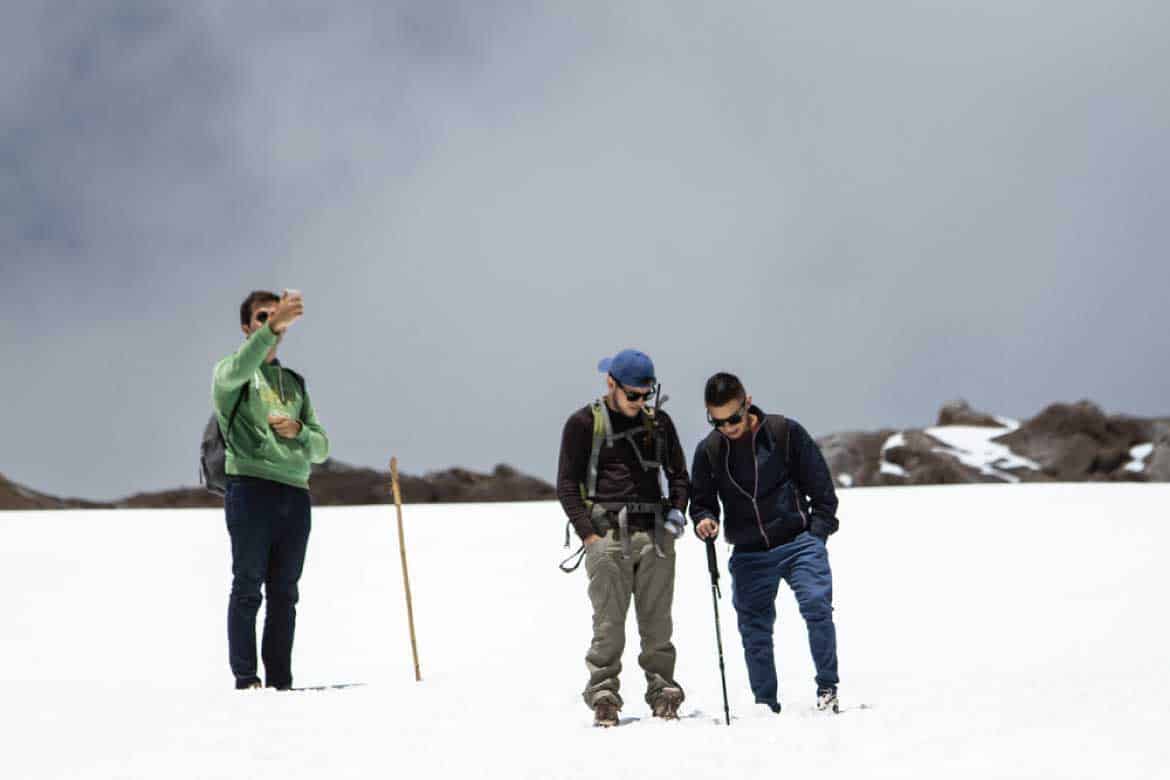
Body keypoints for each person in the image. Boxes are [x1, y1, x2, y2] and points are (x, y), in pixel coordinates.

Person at [689, 372, 841, 713]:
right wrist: (704, 519)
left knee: (816, 606)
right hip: (749, 553)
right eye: (717, 422)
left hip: (799, 542)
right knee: (754, 629)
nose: (727, 427)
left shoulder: (784, 432)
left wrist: (816, 536)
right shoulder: (709, 451)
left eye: (733, 419)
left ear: (748, 403)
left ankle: (827, 688)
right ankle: (766, 705)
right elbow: (701, 502)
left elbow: (822, 490)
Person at [556, 349, 691, 726]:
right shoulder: (583, 423)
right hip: (607, 535)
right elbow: (566, 484)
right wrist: (588, 535)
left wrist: (677, 513)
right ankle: (604, 695)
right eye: (633, 394)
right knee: (608, 627)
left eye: (647, 394)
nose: (640, 401)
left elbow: (679, 475)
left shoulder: (659, 423)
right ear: (611, 383)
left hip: (656, 535)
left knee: (658, 626)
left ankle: (664, 692)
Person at [212, 289, 329, 690]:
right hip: (250, 488)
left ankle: (281, 681)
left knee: (285, 594)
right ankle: (247, 679)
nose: (270, 324)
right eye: (261, 318)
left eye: (274, 317)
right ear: (246, 328)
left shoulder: (294, 383)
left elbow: (322, 447)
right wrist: (272, 329)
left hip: (294, 493)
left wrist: (300, 432)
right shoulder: (231, 373)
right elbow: (242, 366)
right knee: (248, 586)